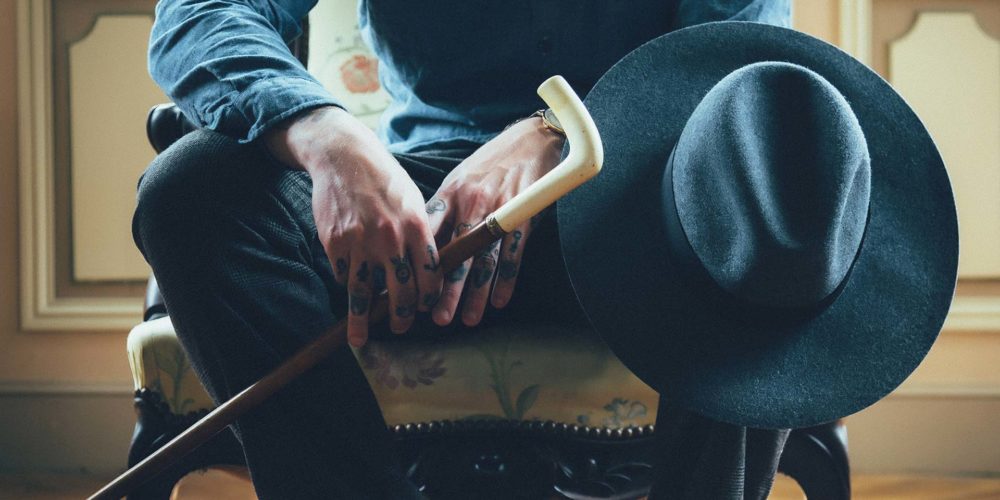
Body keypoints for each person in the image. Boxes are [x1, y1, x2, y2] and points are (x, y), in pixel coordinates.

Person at [136, 1, 790, 498]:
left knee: (778, 194)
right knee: (189, 190)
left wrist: (556, 130)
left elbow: (731, 64)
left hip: (637, 215)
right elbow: (200, 12)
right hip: (421, 212)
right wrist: (328, 136)